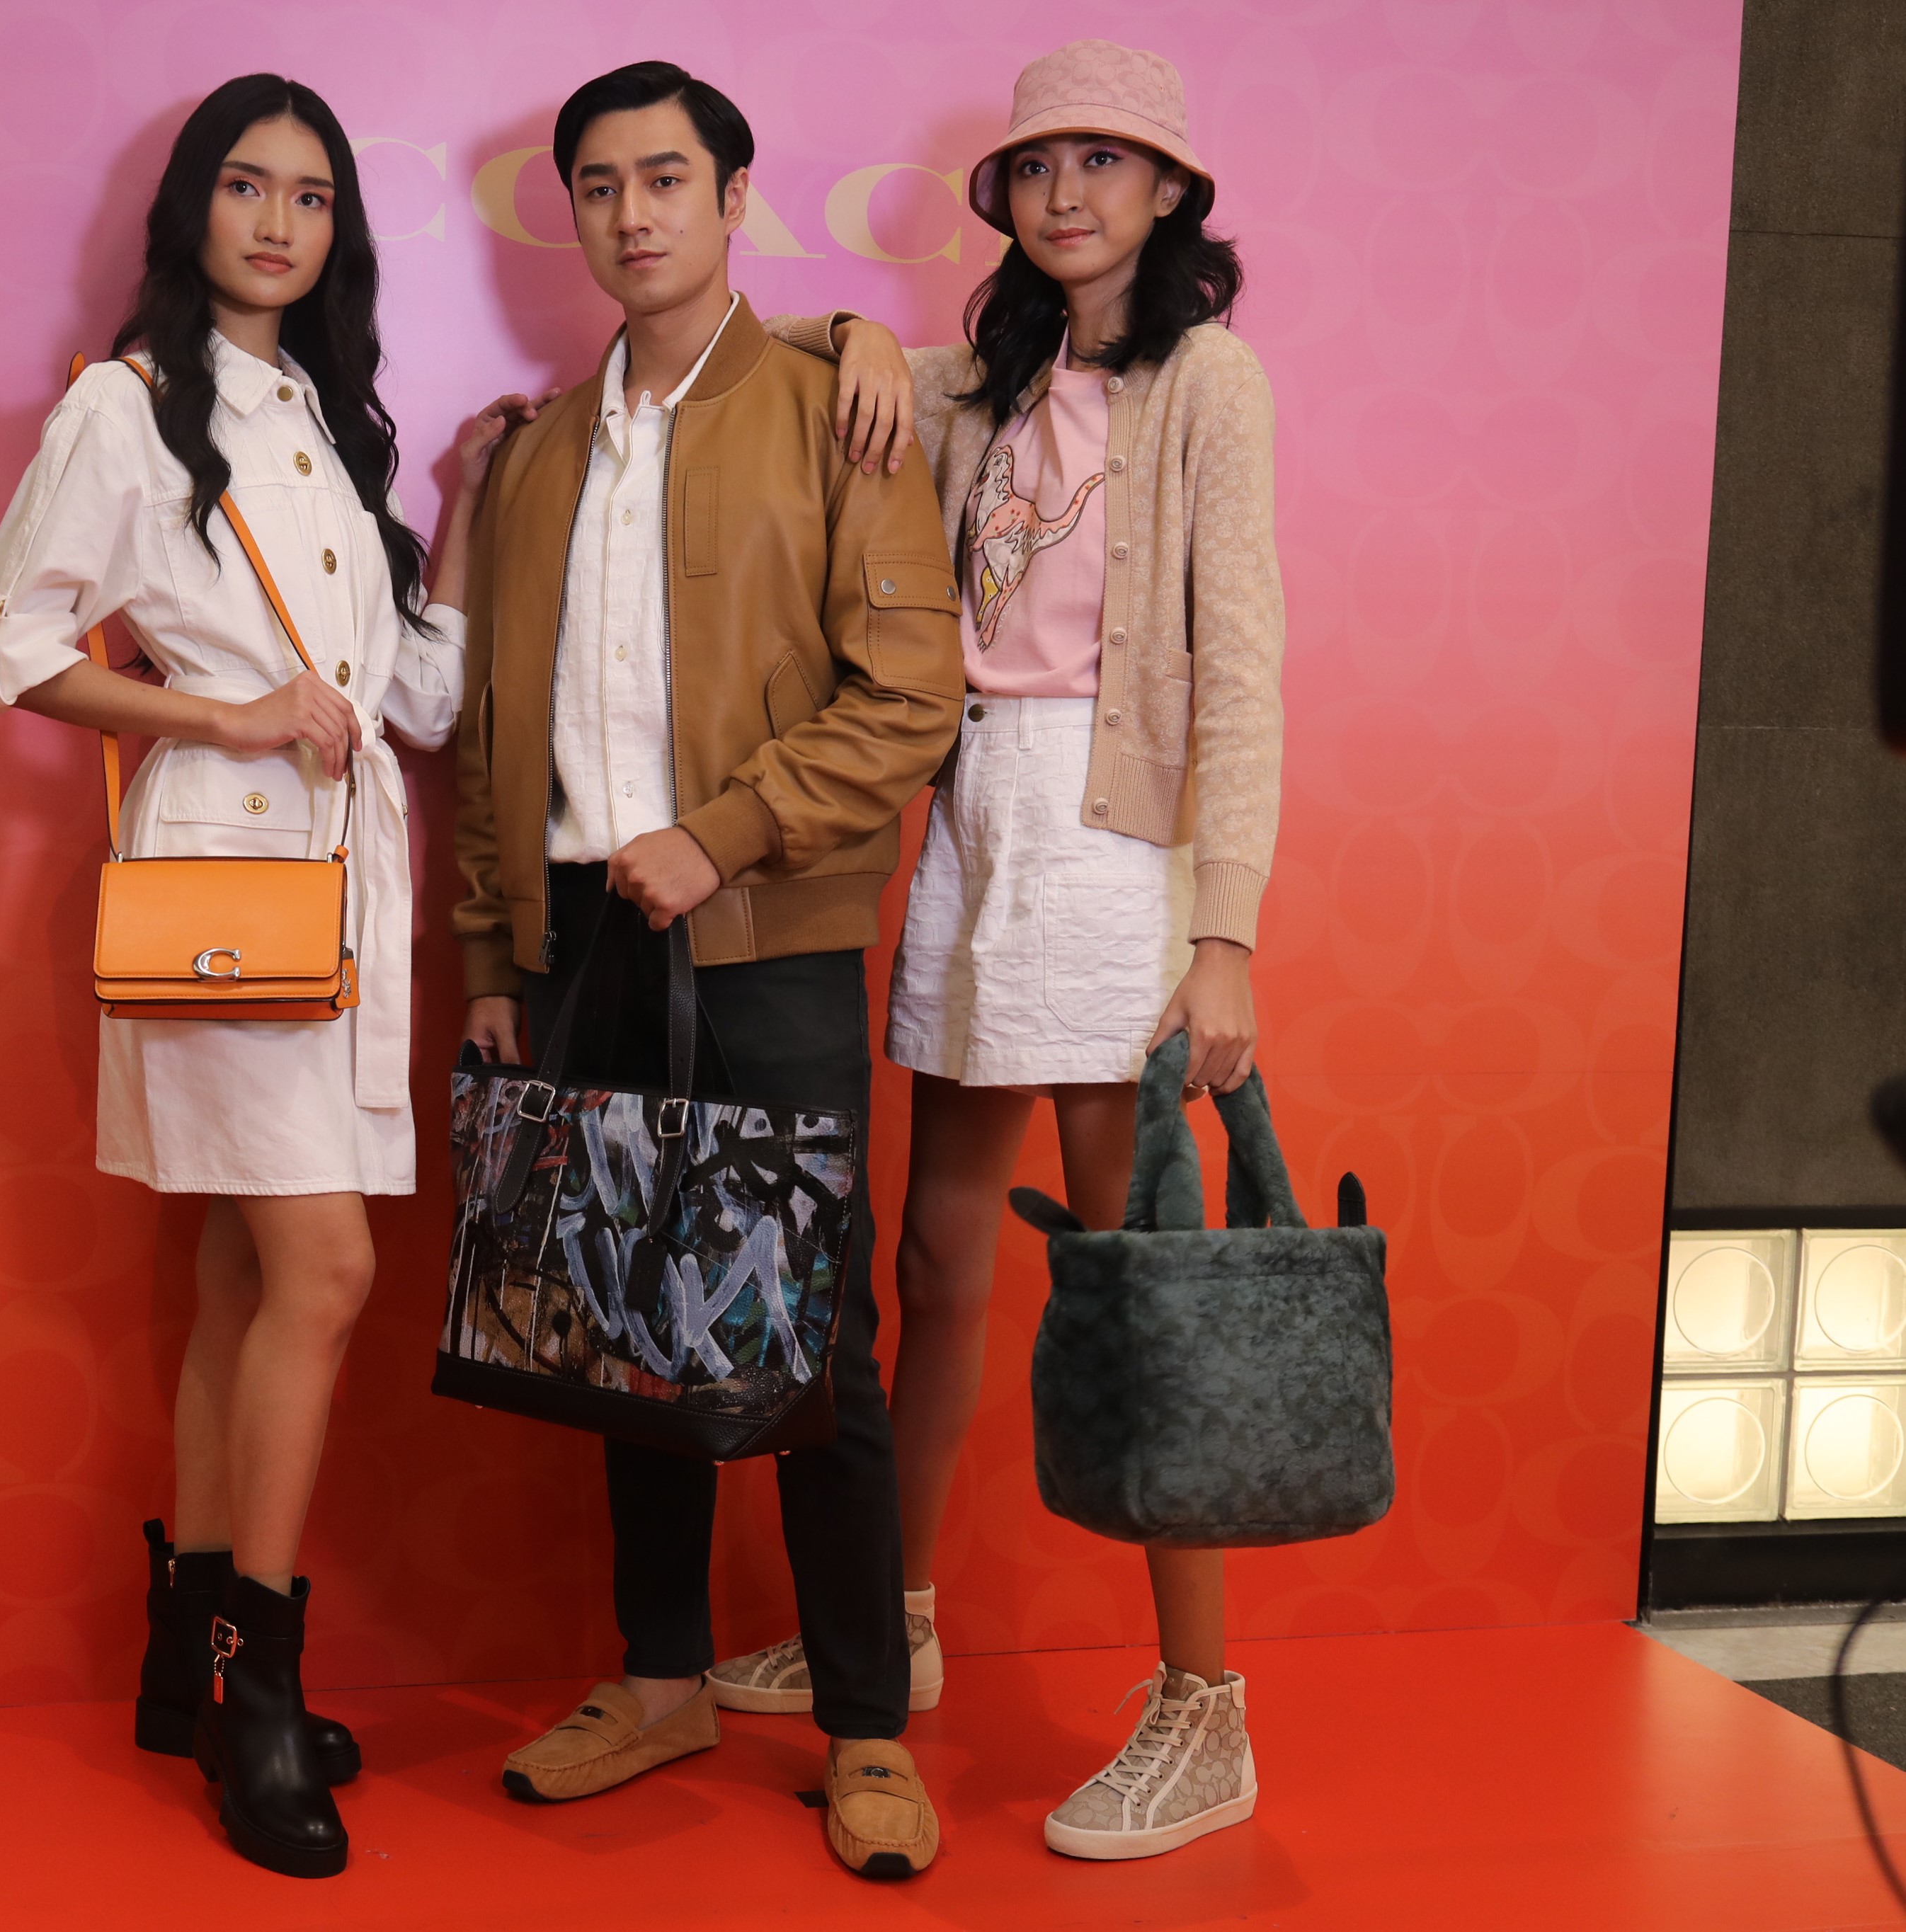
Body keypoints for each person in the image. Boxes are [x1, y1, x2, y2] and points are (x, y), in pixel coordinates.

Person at [0, 73, 535, 1880]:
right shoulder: (128, 405)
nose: (277, 222)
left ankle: (185, 1661)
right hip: (226, 885)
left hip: (341, 895)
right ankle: (257, 1691)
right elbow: (8, 646)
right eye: (244, 186)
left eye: (309, 195)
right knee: (324, 1267)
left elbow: (412, 700)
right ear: (189, 210)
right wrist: (219, 713)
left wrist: (462, 501)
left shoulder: (329, 420)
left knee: (239, 1269)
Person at [729, 40, 1286, 1860]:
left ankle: (1201, 1709)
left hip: (1115, 841)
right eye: (1036, 167)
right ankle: (884, 1631)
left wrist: (1223, 932)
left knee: (1130, 1282)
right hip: (975, 821)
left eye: (1102, 164)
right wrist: (856, 335)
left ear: (1167, 192)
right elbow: (787, 348)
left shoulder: (1205, 383)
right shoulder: (987, 377)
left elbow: (1243, 661)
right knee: (935, 1254)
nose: (1064, 195)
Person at [452, 61, 965, 1880]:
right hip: (578, 937)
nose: (632, 214)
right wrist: (493, 948)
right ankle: (661, 1680)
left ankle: (862, 1727)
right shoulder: (531, 455)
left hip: (767, 934)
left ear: (735, 198)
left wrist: (727, 831)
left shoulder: (837, 408)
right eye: (597, 186)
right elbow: (492, 727)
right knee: (620, 1317)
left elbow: (909, 697)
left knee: (819, 1343)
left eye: (665, 178)